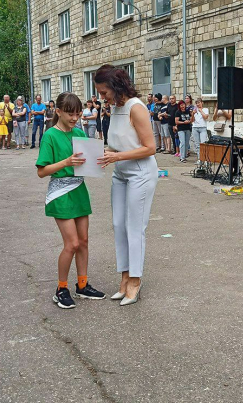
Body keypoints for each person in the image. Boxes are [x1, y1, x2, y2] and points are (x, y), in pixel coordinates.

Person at [36, 91, 106, 309]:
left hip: (79, 189)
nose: (75, 118)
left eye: (78, 114)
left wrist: (101, 158)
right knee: (72, 244)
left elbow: (88, 160)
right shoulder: (50, 135)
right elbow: (42, 171)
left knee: (83, 241)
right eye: (70, 114)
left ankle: (82, 285)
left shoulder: (79, 132)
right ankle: (61, 289)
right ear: (58, 112)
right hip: (60, 193)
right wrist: (66, 162)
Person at [95, 64, 158, 306]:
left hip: (140, 173)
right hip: (120, 173)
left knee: (134, 227)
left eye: (104, 92)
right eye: (100, 93)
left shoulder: (136, 108)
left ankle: (135, 279)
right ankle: (124, 276)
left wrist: (117, 156)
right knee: (118, 225)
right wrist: (100, 154)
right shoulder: (115, 108)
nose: (102, 97)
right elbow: (118, 144)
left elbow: (150, 148)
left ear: (116, 86)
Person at [192, 98, 209, 165]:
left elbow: (205, 117)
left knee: (203, 143)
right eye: (196, 103)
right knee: (197, 144)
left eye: (199, 102)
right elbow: (192, 120)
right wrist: (193, 114)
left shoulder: (205, 109)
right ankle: (200, 159)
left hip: (203, 128)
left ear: (202, 103)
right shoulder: (194, 110)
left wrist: (201, 111)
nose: (198, 104)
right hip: (195, 128)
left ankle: (205, 159)